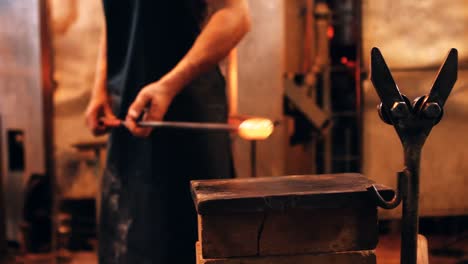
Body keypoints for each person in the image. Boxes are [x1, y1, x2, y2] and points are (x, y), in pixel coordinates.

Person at [84, 1, 250, 263]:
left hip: (186, 121)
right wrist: (100, 89)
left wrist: (169, 84)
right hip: (130, 115)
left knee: (181, 246)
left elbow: (236, 16)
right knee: (125, 247)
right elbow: (117, 20)